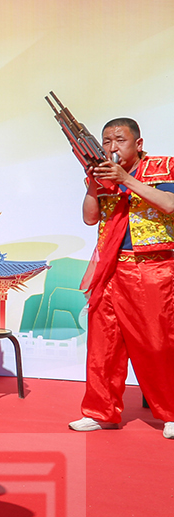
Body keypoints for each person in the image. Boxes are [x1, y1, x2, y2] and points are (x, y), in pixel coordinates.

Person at [71, 117, 174, 437]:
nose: (112, 147)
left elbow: (169, 205)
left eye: (120, 140)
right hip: (111, 266)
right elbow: (90, 218)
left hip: (152, 265)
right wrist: (92, 183)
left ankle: (170, 412)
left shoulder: (163, 165)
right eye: (107, 141)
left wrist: (125, 179)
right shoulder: (104, 175)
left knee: (158, 343)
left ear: (138, 144)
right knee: (103, 343)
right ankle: (101, 410)